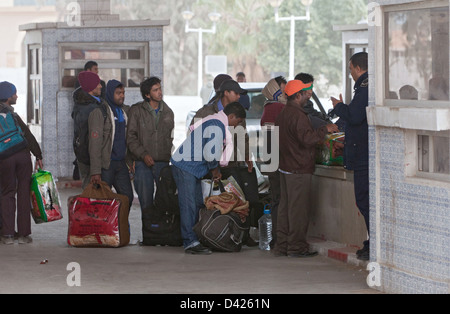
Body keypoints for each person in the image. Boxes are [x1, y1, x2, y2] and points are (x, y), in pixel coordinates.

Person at [171, 102, 247, 254]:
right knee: (189, 205)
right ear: (231, 117)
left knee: (199, 202)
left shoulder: (215, 122)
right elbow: (211, 154)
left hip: (193, 168)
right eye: (237, 122)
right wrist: (215, 171)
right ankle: (190, 242)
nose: (235, 126)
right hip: (185, 167)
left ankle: (197, 236)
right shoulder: (217, 126)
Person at [275, 80, 338, 258]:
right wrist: (325, 129)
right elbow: (307, 139)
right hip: (298, 169)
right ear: (297, 96)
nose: (306, 96)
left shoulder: (283, 113)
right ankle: (296, 247)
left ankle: (282, 246)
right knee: (298, 211)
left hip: (286, 167)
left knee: (285, 209)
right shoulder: (298, 115)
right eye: (304, 93)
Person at [330, 52, 370, 261]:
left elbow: (355, 116)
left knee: (365, 201)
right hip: (362, 151)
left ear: (356, 67)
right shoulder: (365, 86)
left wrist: (338, 107)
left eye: (350, 70)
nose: (350, 74)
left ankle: (373, 245)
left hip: (364, 155)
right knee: (365, 201)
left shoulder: (365, 87)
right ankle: (371, 243)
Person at [0, 82, 43, 245]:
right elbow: (28, 136)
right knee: (24, 192)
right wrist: (38, 155)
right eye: (14, 93)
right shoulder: (14, 115)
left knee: (6, 194)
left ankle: (8, 235)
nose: (16, 96)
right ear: (7, 96)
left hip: (5, 158)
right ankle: (24, 235)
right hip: (23, 155)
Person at [127, 77, 174, 217]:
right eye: (155, 90)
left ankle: (160, 235)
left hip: (162, 163)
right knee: (146, 204)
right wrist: (143, 155)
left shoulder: (168, 112)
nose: (160, 92)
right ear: (147, 95)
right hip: (142, 163)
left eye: (160, 89)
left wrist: (168, 157)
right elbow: (131, 138)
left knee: (163, 202)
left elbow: (169, 138)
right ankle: (148, 236)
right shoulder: (136, 111)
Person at [88, 79, 134, 209]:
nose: (122, 96)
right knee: (102, 200)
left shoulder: (124, 112)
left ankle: (119, 226)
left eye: (123, 92)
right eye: (118, 93)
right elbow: (94, 144)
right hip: (106, 165)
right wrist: (96, 171)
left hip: (121, 163)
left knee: (127, 197)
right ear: (110, 93)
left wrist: (130, 161)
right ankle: (104, 229)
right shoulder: (100, 112)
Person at [260, 76, 287, 246]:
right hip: (279, 161)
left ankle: (277, 238)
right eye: (283, 89)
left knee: (277, 198)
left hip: (272, 160)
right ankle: (280, 238)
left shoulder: (268, 107)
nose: (286, 93)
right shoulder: (277, 107)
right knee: (280, 199)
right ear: (275, 91)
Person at [73, 71, 109, 189]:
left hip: (85, 155)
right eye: (97, 84)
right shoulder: (90, 108)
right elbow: (93, 138)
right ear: (90, 87)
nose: (101, 86)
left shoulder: (86, 104)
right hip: (90, 158)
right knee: (91, 192)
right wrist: (95, 168)